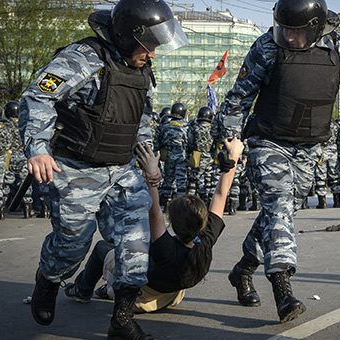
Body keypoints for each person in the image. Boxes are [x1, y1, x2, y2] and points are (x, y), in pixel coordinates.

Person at [220, 0, 340, 323]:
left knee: (283, 212)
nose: (287, 36)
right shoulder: (267, 47)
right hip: (268, 140)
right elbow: (238, 97)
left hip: (309, 147)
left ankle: (243, 269)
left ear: (315, 28)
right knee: (277, 203)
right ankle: (282, 287)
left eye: (295, 31)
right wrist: (231, 138)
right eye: (283, 28)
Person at [18, 0, 188, 339]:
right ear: (127, 36)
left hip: (122, 169)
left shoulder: (139, 67)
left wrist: (147, 158)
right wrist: (37, 149)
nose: (152, 53)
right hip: (77, 167)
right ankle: (49, 279)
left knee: (135, 242)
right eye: (148, 45)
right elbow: (37, 97)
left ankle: (122, 320)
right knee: (72, 245)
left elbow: (140, 116)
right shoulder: (84, 58)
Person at [63, 138, 244, 313]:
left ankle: (82, 290)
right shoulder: (205, 240)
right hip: (172, 296)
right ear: (204, 220)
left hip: (142, 300)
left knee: (104, 248)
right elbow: (221, 194)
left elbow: (154, 210)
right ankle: (109, 288)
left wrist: (151, 173)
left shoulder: (167, 248)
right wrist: (233, 158)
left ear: (172, 223)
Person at [155, 102, 191, 209]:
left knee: (168, 180)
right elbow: (191, 142)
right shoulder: (187, 127)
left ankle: (165, 204)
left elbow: (158, 141)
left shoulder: (165, 126)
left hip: (169, 155)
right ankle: (182, 205)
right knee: (181, 181)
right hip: (182, 156)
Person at [314, 119, 340, 209]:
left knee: (320, 177)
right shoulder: (335, 125)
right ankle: (337, 201)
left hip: (321, 151)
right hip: (333, 151)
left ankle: (322, 202)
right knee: (334, 176)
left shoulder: (318, 124)